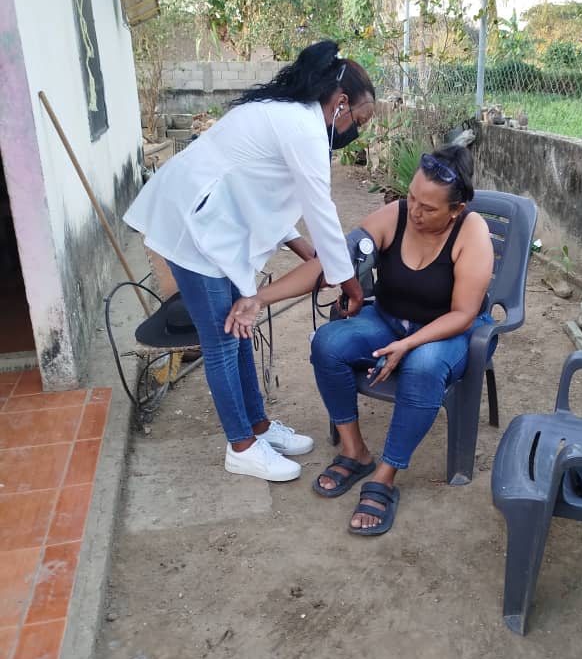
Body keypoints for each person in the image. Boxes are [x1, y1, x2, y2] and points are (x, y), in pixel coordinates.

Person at [124, 40, 376, 482]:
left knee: (240, 328)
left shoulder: (287, 116)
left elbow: (261, 192)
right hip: (194, 227)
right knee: (223, 339)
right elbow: (322, 211)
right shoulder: (303, 129)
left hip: (214, 224)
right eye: (359, 119)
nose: (358, 130)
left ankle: (258, 427)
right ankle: (241, 445)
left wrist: (300, 247)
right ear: (340, 103)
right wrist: (350, 285)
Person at [228, 144, 494, 535]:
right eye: (412, 198)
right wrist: (259, 298)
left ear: (456, 209)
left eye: (429, 208)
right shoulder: (395, 216)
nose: (415, 212)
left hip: (448, 330)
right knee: (328, 344)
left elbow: (464, 313)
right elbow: (331, 263)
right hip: (388, 319)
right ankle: (355, 451)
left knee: (422, 366)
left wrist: (409, 344)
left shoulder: (472, 232)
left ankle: (385, 475)